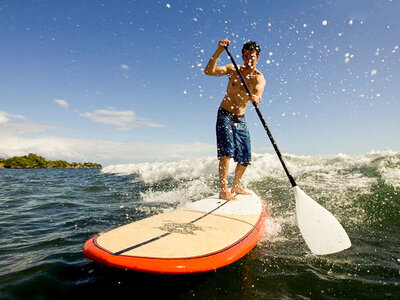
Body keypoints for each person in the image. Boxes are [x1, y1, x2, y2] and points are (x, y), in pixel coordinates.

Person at [204, 39, 266, 201]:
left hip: (240, 118)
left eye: (252, 56)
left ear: (257, 57)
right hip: (224, 113)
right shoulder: (234, 69)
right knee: (227, 152)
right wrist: (219, 51)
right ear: (242, 57)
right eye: (246, 56)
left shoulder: (258, 78)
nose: (249, 60)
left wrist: (256, 98)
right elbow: (209, 71)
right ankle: (223, 190)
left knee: (245, 158)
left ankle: (236, 185)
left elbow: (259, 91)